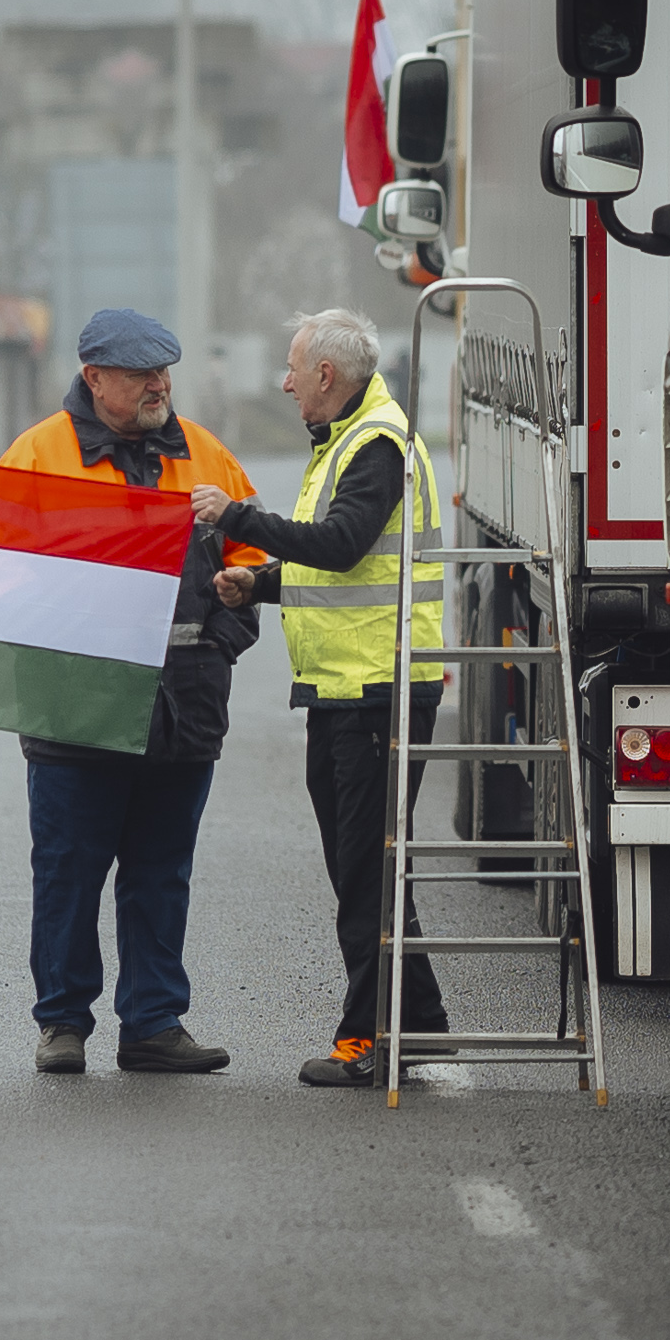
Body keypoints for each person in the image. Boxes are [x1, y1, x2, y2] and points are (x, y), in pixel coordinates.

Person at [0, 308, 261, 1076]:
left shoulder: (204, 453)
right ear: (94, 378)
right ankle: (63, 1024)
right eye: (143, 373)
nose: (160, 385)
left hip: (183, 707)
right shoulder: (38, 455)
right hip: (74, 709)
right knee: (69, 871)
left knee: (160, 871)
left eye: (165, 370)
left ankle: (152, 1022)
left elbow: (255, 560)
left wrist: (222, 641)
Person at [199, 307, 455, 1089]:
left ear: (325, 376)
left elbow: (343, 546)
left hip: (376, 688)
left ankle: (370, 1040)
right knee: (366, 870)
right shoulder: (349, 440)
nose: (282, 381)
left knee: (367, 872)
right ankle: (424, 1028)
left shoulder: (373, 444)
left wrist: (237, 519)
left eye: (292, 366)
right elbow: (337, 563)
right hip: (347, 688)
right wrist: (263, 584)